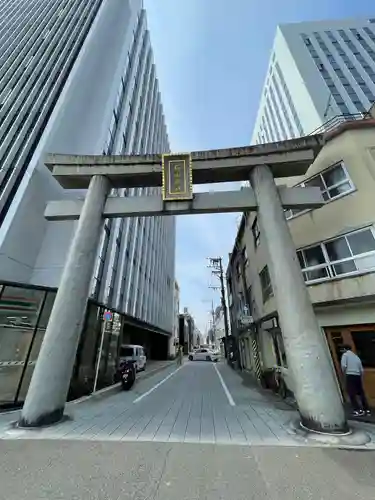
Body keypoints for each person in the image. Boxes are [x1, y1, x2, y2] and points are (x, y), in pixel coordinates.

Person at [341, 344, 370, 416]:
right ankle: (366, 409)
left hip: (350, 375)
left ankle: (357, 410)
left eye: (342, 349)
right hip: (358, 375)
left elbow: (344, 366)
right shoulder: (356, 356)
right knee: (360, 392)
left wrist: (344, 373)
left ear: (345, 349)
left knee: (351, 393)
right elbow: (361, 369)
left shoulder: (345, 355)